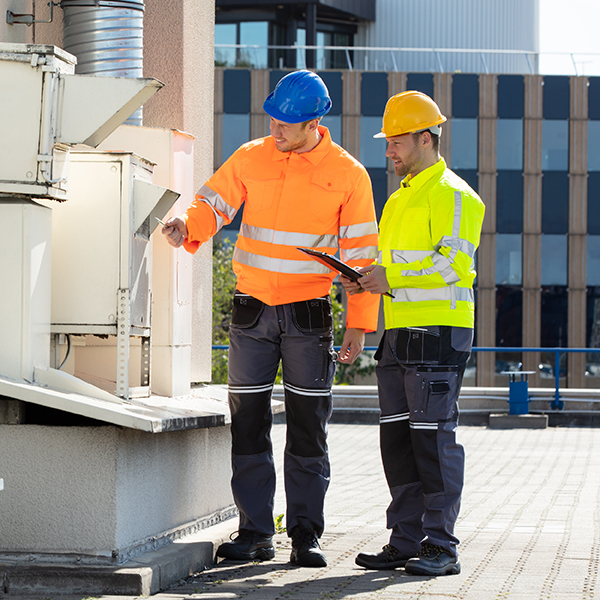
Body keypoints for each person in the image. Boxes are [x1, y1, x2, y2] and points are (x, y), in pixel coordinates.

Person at [161, 70, 379, 568]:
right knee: (248, 425)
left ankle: (305, 536)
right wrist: (187, 225)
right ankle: (256, 533)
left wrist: (358, 324)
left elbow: (363, 259)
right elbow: (213, 203)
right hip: (252, 312)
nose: (276, 129)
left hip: (308, 317)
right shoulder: (251, 156)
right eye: (274, 120)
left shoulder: (348, 175)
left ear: (315, 122)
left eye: (287, 124)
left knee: (308, 428)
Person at [341, 91, 485, 576]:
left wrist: (390, 276)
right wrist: (366, 276)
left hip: (439, 335)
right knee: (398, 442)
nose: (389, 151)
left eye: (397, 141)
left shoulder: (455, 195)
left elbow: (455, 266)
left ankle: (442, 547)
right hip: (400, 335)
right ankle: (405, 541)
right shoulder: (402, 198)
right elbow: (399, 267)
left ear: (426, 139)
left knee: (432, 440)